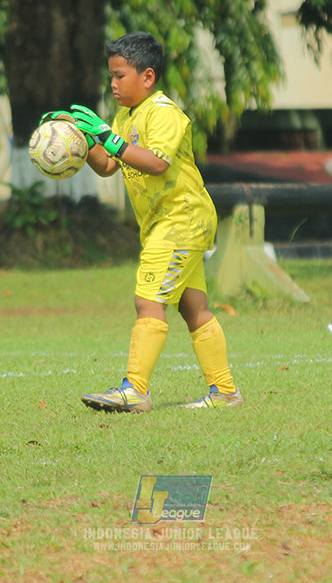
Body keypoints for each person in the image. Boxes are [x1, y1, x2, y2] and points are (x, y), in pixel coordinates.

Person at [43, 31, 242, 413]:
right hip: (168, 222)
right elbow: (108, 165)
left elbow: (156, 162)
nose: (113, 84)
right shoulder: (125, 116)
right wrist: (81, 140)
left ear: (147, 77)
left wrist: (107, 136)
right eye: (111, 77)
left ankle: (135, 390)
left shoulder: (164, 112)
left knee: (147, 300)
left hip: (180, 219)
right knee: (193, 306)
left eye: (120, 76)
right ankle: (225, 392)